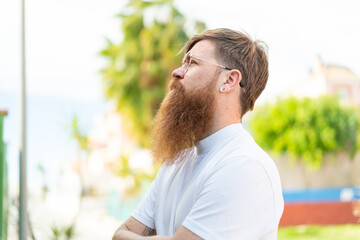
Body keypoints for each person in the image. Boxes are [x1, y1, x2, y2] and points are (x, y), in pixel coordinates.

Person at [113, 28, 284, 240]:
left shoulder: (245, 165)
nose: (177, 71)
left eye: (192, 63)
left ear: (229, 80)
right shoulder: (175, 164)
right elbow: (119, 235)